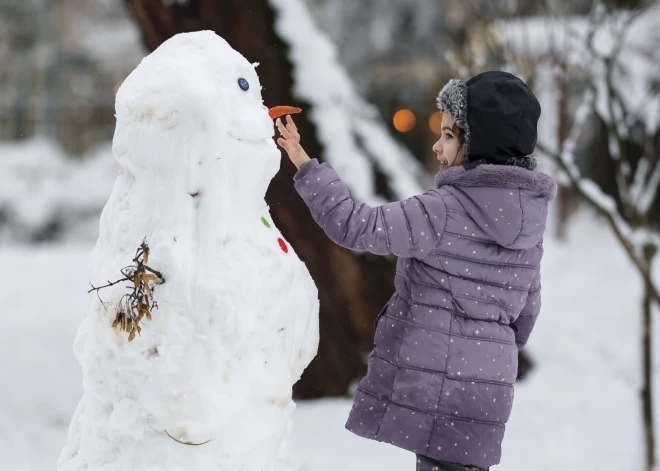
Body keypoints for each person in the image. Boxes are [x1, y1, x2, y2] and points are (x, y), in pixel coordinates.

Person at [276, 71, 556, 470]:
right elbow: (526, 313)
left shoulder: (443, 209)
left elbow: (357, 226)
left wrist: (305, 164)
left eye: (448, 135)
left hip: (439, 385)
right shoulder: (531, 224)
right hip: (488, 394)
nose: (437, 145)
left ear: (476, 143)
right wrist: (488, 356)